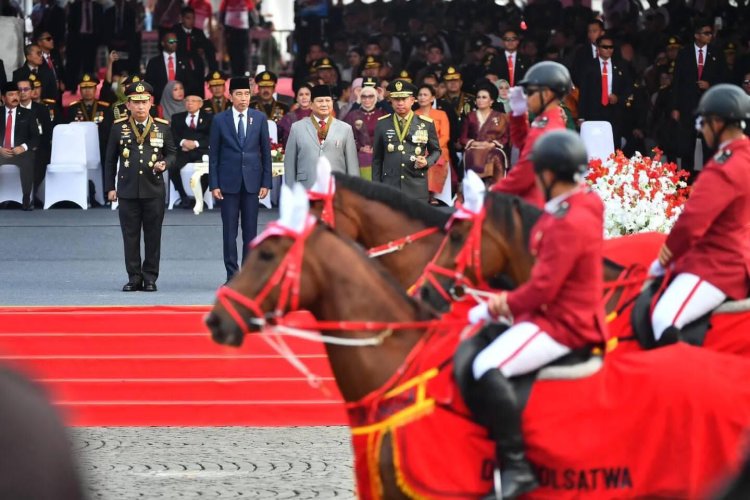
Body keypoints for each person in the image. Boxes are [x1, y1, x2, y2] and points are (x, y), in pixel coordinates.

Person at [464, 130, 606, 499]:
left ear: (549, 174)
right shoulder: (578, 205)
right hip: (557, 310)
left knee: (487, 365)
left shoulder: (567, 221)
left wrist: (501, 304)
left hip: (563, 323)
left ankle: (517, 467)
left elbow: (543, 287)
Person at [649, 85, 750, 346]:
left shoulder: (722, 168)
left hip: (718, 265)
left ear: (718, 123)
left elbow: (691, 223)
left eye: (703, 122)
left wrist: (664, 257)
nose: (701, 129)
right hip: (740, 253)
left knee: (663, 318)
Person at [104, 82, 176, 292]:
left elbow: (172, 153)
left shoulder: (162, 126)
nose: (140, 107)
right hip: (127, 189)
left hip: (153, 189)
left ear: (151, 102)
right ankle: (134, 277)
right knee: (130, 235)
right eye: (136, 103)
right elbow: (109, 160)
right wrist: (110, 187)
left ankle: (150, 277)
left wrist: (165, 163)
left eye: (144, 102)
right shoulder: (119, 127)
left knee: (153, 235)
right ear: (128, 105)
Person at [208, 77, 272, 283]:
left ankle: (249, 275)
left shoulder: (259, 118)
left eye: (246, 94)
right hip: (228, 182)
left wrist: (266, 182)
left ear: (251, 94)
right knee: (229, 231)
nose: (243, 98)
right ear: (230, 95)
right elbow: (214, 154)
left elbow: (266, 152)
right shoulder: (219, 120)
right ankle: (232, 275)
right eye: (238, 94)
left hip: (252, 181)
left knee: (251, 231)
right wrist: (214, 183)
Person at [491, 61, 570, 208]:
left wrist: (490, 194)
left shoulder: (546, 129)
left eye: (531, 92)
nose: (527, 97)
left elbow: (523, 176)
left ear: (546, 94)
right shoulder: (548, 120)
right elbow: (522, 142)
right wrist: (519, 115)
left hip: (535, 207)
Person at [671, 19, 727, 179]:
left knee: (709, 146)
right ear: (697, 35)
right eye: (706, 33)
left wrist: (710, 85)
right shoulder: (684, 53)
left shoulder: (716, 53)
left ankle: (709, 180)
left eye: (711, 33)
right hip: (688, 107)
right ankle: (687, 181)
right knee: (687, 145)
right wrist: (675, 107)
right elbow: (677, 81)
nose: (710, 36)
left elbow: (725, 79)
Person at [371, 79, 441, 202]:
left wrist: (427, 161)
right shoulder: (382, 123)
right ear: (390, 101)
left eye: (404, 99)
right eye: (396, 99)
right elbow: (377, 159)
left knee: (416, 221)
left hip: (416, 185)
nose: (400, 103)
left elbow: (436, 151)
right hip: (390, 185)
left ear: (413, 100)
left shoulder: (426, 123)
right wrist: (376, 187)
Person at [284, 85, 359, 188]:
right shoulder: (297, 128)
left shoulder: (345, 129)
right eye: (320, 101)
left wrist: (353, 191)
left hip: (336, 188)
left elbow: (352, 165)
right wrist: (290, 191)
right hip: (306, 187)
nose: (324, 104)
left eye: (328, 100)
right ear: (311, 105)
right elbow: (289, 163)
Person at [578, 34, 633, 147]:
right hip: (593, 112)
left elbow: (628, 88)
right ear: (598, 48)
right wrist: (581, 116)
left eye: (611, 47)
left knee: (614, 143)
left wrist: (618, 98)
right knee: (595, 143)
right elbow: (584, 92)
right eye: (605, 47)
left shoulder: (621, 65)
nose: (608, 50)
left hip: (614, 111)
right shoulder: (589, 65)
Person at [0, 82, 40, 211]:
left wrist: (23, 147)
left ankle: (26, 199)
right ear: (2, 98)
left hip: (20, 153)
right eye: (10, 94)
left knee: (28, 160)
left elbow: (35, 137)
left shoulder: (28, 114)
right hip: (1, 153)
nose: (15, 97)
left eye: (16, 94)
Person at [460, 81, 509, 185]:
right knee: (473, 154)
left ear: (491, 101)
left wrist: (492, 144)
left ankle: (494, 189)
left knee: (494, 156)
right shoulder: (470, 116)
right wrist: (475, 144)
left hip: (493, 149)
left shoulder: (501, 116)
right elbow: (463, 138)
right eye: (478, 97)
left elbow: (505, 137)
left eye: (484, 97)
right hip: (474, 149)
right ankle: (476, 187)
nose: (480, 100)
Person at [170, 92, 212, 208]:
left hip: (201, 151)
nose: (189, 103)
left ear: (200, 104)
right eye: (187, 101)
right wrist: (183, 142)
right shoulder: (177, 117)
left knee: (209, 168)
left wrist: (196, 143)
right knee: (172, 166)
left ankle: (199, 197)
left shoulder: (209, 118)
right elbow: (173, 135)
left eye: (193, 101)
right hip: (183, 151)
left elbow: (212, 136)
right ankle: (183, 196)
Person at [16, 76, 53, 208]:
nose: (23, 92)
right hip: (17, 148)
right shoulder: (12, 109)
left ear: (32, 91)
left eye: (26, 89)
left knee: (40, 157)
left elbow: (48, 133)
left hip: (39, 148)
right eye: (19, 89)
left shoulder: (42, 109)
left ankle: (31, 193)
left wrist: (34, 146)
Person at [414, 83, 451, 203]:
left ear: (432, 98)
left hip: (438, 148)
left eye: (425, 95)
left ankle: (431, 194)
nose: (422, 97)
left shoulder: (441, 114)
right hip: (418, 148)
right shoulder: (413, 115)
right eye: (420, 95)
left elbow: (445, 136)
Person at [344, 84, 386, 180]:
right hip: (358, 156)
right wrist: (360, 148)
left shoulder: (382, 114)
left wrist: (375, 148)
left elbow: (388, 136)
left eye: (371, 96)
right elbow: (345, 134)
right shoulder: (353, 115)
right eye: (364, 96)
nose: (367, 99)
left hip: (379, 156)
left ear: (375, 98)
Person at [174, 6, 217, 97]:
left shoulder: (199, 33)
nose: (191, 21)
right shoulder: (174, 31)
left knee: (198, 95)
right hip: (180, 70)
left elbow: (209, 48)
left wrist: (212, 70)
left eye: (193, 18)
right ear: (182, 18)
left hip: (196, 70)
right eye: (188, 18)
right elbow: (170, 45)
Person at [145, 31, 190, 106]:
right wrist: (164, 94)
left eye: (176, 41)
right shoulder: (154, 62)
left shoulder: (184, 61)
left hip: (181, 104)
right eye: (171, 41)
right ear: (163, 43)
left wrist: (180, 93)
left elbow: (189, 82)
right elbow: (149, 84)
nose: (174, 44)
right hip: (160, 103)